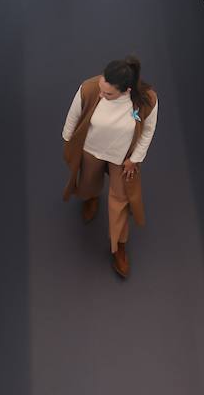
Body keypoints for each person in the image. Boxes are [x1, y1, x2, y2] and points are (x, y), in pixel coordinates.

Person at [61, 56, 158, 278]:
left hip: (123, 158)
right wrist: (69, 142)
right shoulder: (90, 88)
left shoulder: (147, 100)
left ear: (127, 90)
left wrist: (135, 158)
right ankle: (91, 197)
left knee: (121, 199)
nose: (102, 94)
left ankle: (119, 245)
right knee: (87, 182)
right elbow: (74, 116)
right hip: (91, 149)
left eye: (108, 94)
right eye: (102, 88)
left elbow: (148, 131)